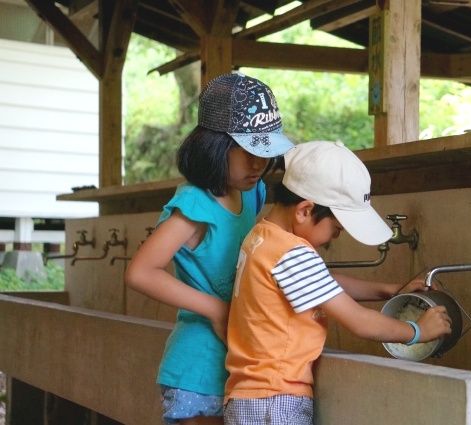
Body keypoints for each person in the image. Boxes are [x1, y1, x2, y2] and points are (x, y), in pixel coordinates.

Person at [224, 141, 452, 425]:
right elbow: (358, 321)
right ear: (305, 210)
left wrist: (390, 290)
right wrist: (417, 331)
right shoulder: (293, 252)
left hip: (252, 396)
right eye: (336, 229)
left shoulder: (263, 237)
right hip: (275, 400)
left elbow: (327, 284)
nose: (335, 238)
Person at [124, 72, 294, 425]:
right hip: (198, 368)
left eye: (264, 151)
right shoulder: (194, 206)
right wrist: (216, 309)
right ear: (213, 146)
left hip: (240, 360)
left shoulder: (252, 193)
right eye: (247, 150)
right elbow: (140, 272)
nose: (258, 163)